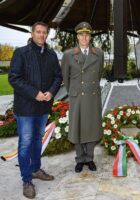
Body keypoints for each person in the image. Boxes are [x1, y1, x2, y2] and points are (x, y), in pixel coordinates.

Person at [8, 21, 63, 199]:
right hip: (25, 108)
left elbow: (58, 76)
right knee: (25, 143)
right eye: (38, 32)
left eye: (44, 32)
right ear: (32, 33)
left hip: (43, 107)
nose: (41, 35)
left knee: (38, 140)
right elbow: (14, 78)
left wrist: (51, 92)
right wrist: (35, 93)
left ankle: (36, 169)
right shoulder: (21, 53)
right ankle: (26, 179)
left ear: (47, 35)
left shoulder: (51, 54)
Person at [61, 22, 104, 173]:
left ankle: (90, 158)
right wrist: (75, 91)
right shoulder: (68, 54)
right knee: (77, 128)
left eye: (87, 34)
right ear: (77, 36)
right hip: (77, 96)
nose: (84, 37)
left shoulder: (98, 53)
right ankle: (80, 159)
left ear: (90, 36)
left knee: (91, 127)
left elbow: (99, 74)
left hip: (92, 95)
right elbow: (66, 78)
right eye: (81, 34)